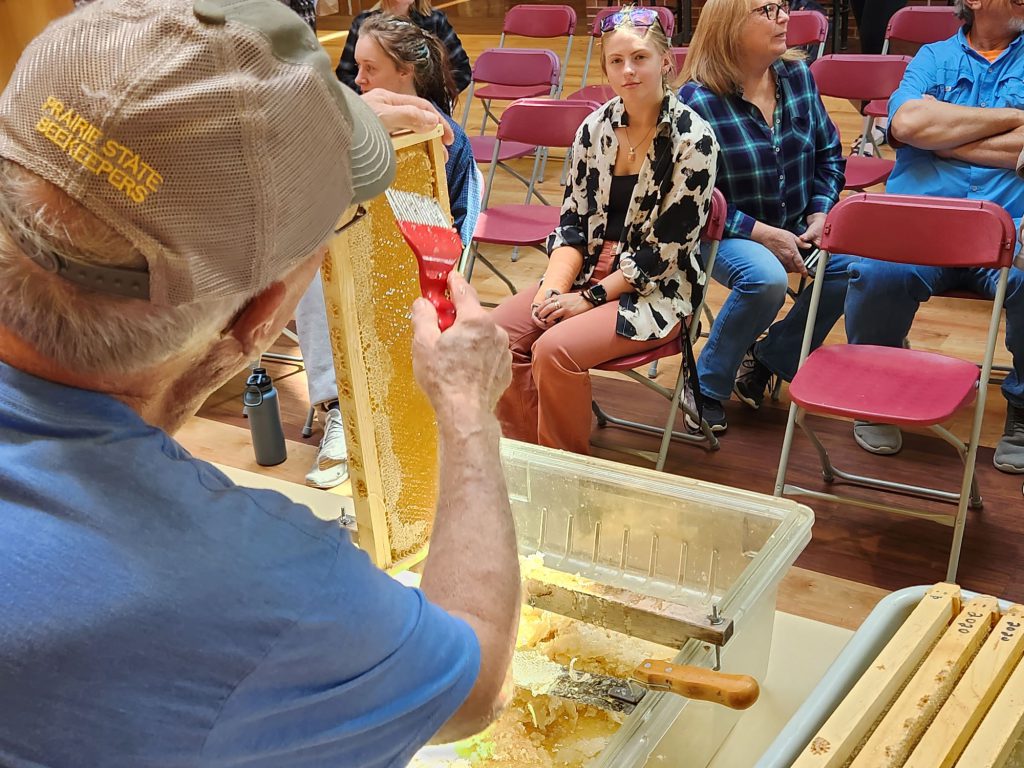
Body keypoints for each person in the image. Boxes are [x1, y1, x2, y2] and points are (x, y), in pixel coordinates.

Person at [0, 1, 519, 766]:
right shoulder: (264, 595)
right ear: (260, 313)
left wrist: (312, 137)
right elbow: (475, 681)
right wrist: (469, 412)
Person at [491, 7, 719, 456]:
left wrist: (587, 300)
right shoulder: (592, 130)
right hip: (585, 271)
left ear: (665, 62)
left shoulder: (694, 139)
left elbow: (662, 254)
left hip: (654, 289)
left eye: (639, 57)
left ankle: (567, 469)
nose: (628, 70)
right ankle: (527, 456)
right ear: (605, 68)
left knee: (554, 350)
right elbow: (572, 225)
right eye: (616, 61)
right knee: (494, 338)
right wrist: (552, 292)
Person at [295, 14, 481, 489]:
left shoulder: (447, 143)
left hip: (415, 272)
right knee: (311, 265)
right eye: (356, 67)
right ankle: (341, 410)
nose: (357, 80)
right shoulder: (348, 127)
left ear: (405, 73)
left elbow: (453, 233)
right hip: (349, 264)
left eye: (369, 69)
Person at [844, 0, 1024, 472]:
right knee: (876, 270)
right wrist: (1015, 120)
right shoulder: (932, 57)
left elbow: (922, 130)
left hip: (1007, 235)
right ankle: (873, 390)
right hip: (920, 226)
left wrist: (943, 135)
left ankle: (1023, 410)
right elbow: (906, 125)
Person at [677, 0, 848, 433]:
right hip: (721, 230)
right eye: (767, 10)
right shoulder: (697, 101)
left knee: (856, 266)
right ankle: (705, 385)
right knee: (766, 278)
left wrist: (819, 210)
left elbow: (829, 154)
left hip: (796, 225)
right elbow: (690, 198)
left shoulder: (798, 77)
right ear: (731, 26)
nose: (785, 17)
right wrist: (761, 233)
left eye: (783, 7)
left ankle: (768, 359)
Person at [336, 0, 472, 95]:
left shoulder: (435, 20)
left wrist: (433, 99)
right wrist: (368, 94)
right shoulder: (363, 23)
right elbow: (345, 72)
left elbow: (462, 70)